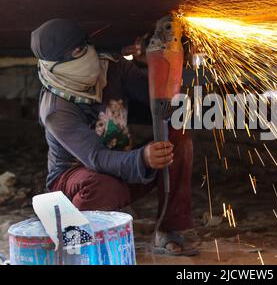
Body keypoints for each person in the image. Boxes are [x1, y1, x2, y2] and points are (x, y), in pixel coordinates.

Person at [31, 18, 197, 256]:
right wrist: (143, 159)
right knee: (102, 186)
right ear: (57, 63)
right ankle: (74, 242)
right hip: (76, 181)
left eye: (86, 45)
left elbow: (162, 106)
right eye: (77, 51)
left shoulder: (114, 68)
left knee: (177, 141)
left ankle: (168, 230)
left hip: (122, 165)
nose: (87, 54)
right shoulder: (57, 108)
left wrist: (156, 66)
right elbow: (96, 158)